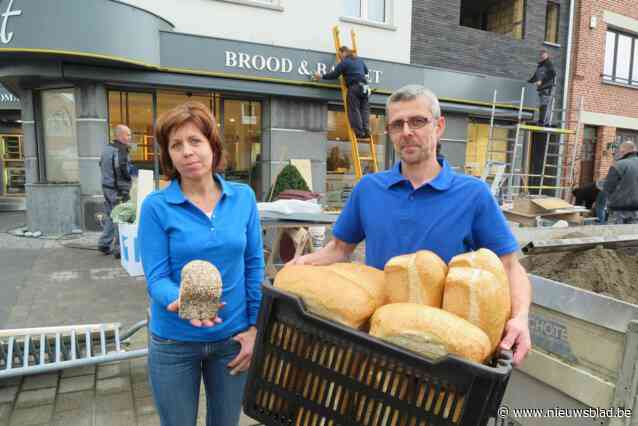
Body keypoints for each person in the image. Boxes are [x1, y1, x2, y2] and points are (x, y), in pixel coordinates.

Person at [290, 85, 532, 366]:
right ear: (390, 133)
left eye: (418, 121)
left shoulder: (473, 194)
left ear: (439, 126)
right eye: (397, 124)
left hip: (445, 351)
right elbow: (339, 249)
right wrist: (302, 264)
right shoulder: (369, 189)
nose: (406, 131)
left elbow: (510, 266)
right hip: (380, 337)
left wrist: (521, 317)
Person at [138, 102, 265, 426]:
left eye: (195, 141)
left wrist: (254, 329)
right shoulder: (156, 206)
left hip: (232, 340)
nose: (187, 152)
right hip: (174, 343)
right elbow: (156, 277)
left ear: (212, 144)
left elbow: (254, 266)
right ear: (168, 155)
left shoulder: (243, 198)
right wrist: (177, 300)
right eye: (176, 145)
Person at [313, 46, 371, 138]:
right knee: (364, 109)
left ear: (344, 52)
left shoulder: (344, 62)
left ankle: (360, 132)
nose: (340, 57)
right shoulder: (359, 60)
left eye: (340, 55)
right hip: (365, 88)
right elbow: (367, 72)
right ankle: (366, 130)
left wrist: (321, 76)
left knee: (354, 110)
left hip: (354, 87)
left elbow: (334, 75)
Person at [98, 124, 133, 258]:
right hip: (118, 189)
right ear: (120, 135)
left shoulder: (107, 149)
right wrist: (126, 185)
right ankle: (120, 248)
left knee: (110, 216)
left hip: (106, 187)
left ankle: (104, 243)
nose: (130, 137)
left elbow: (101, 165)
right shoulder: (121, 150)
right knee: (121, 218)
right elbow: (122, 169)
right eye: (128, 134)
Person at [603, 141, 638, 224]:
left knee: (615, 234)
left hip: (619, 209)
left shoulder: (618, 165)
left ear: (623, 151)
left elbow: (608, 188)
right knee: (633, 235)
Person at [527, 49, 556, 127]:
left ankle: (544, 122)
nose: (542, 56)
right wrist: (529, 82)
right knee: (542, 105)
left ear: (547, 55)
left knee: (544, 105)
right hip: (541, 88)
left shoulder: (548, 63)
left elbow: (552, 74)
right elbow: (535, 76)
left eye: (544, 54)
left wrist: (542, 81)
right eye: (541, 54)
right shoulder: (540, 65)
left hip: (547, 87)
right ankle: (542, 121)